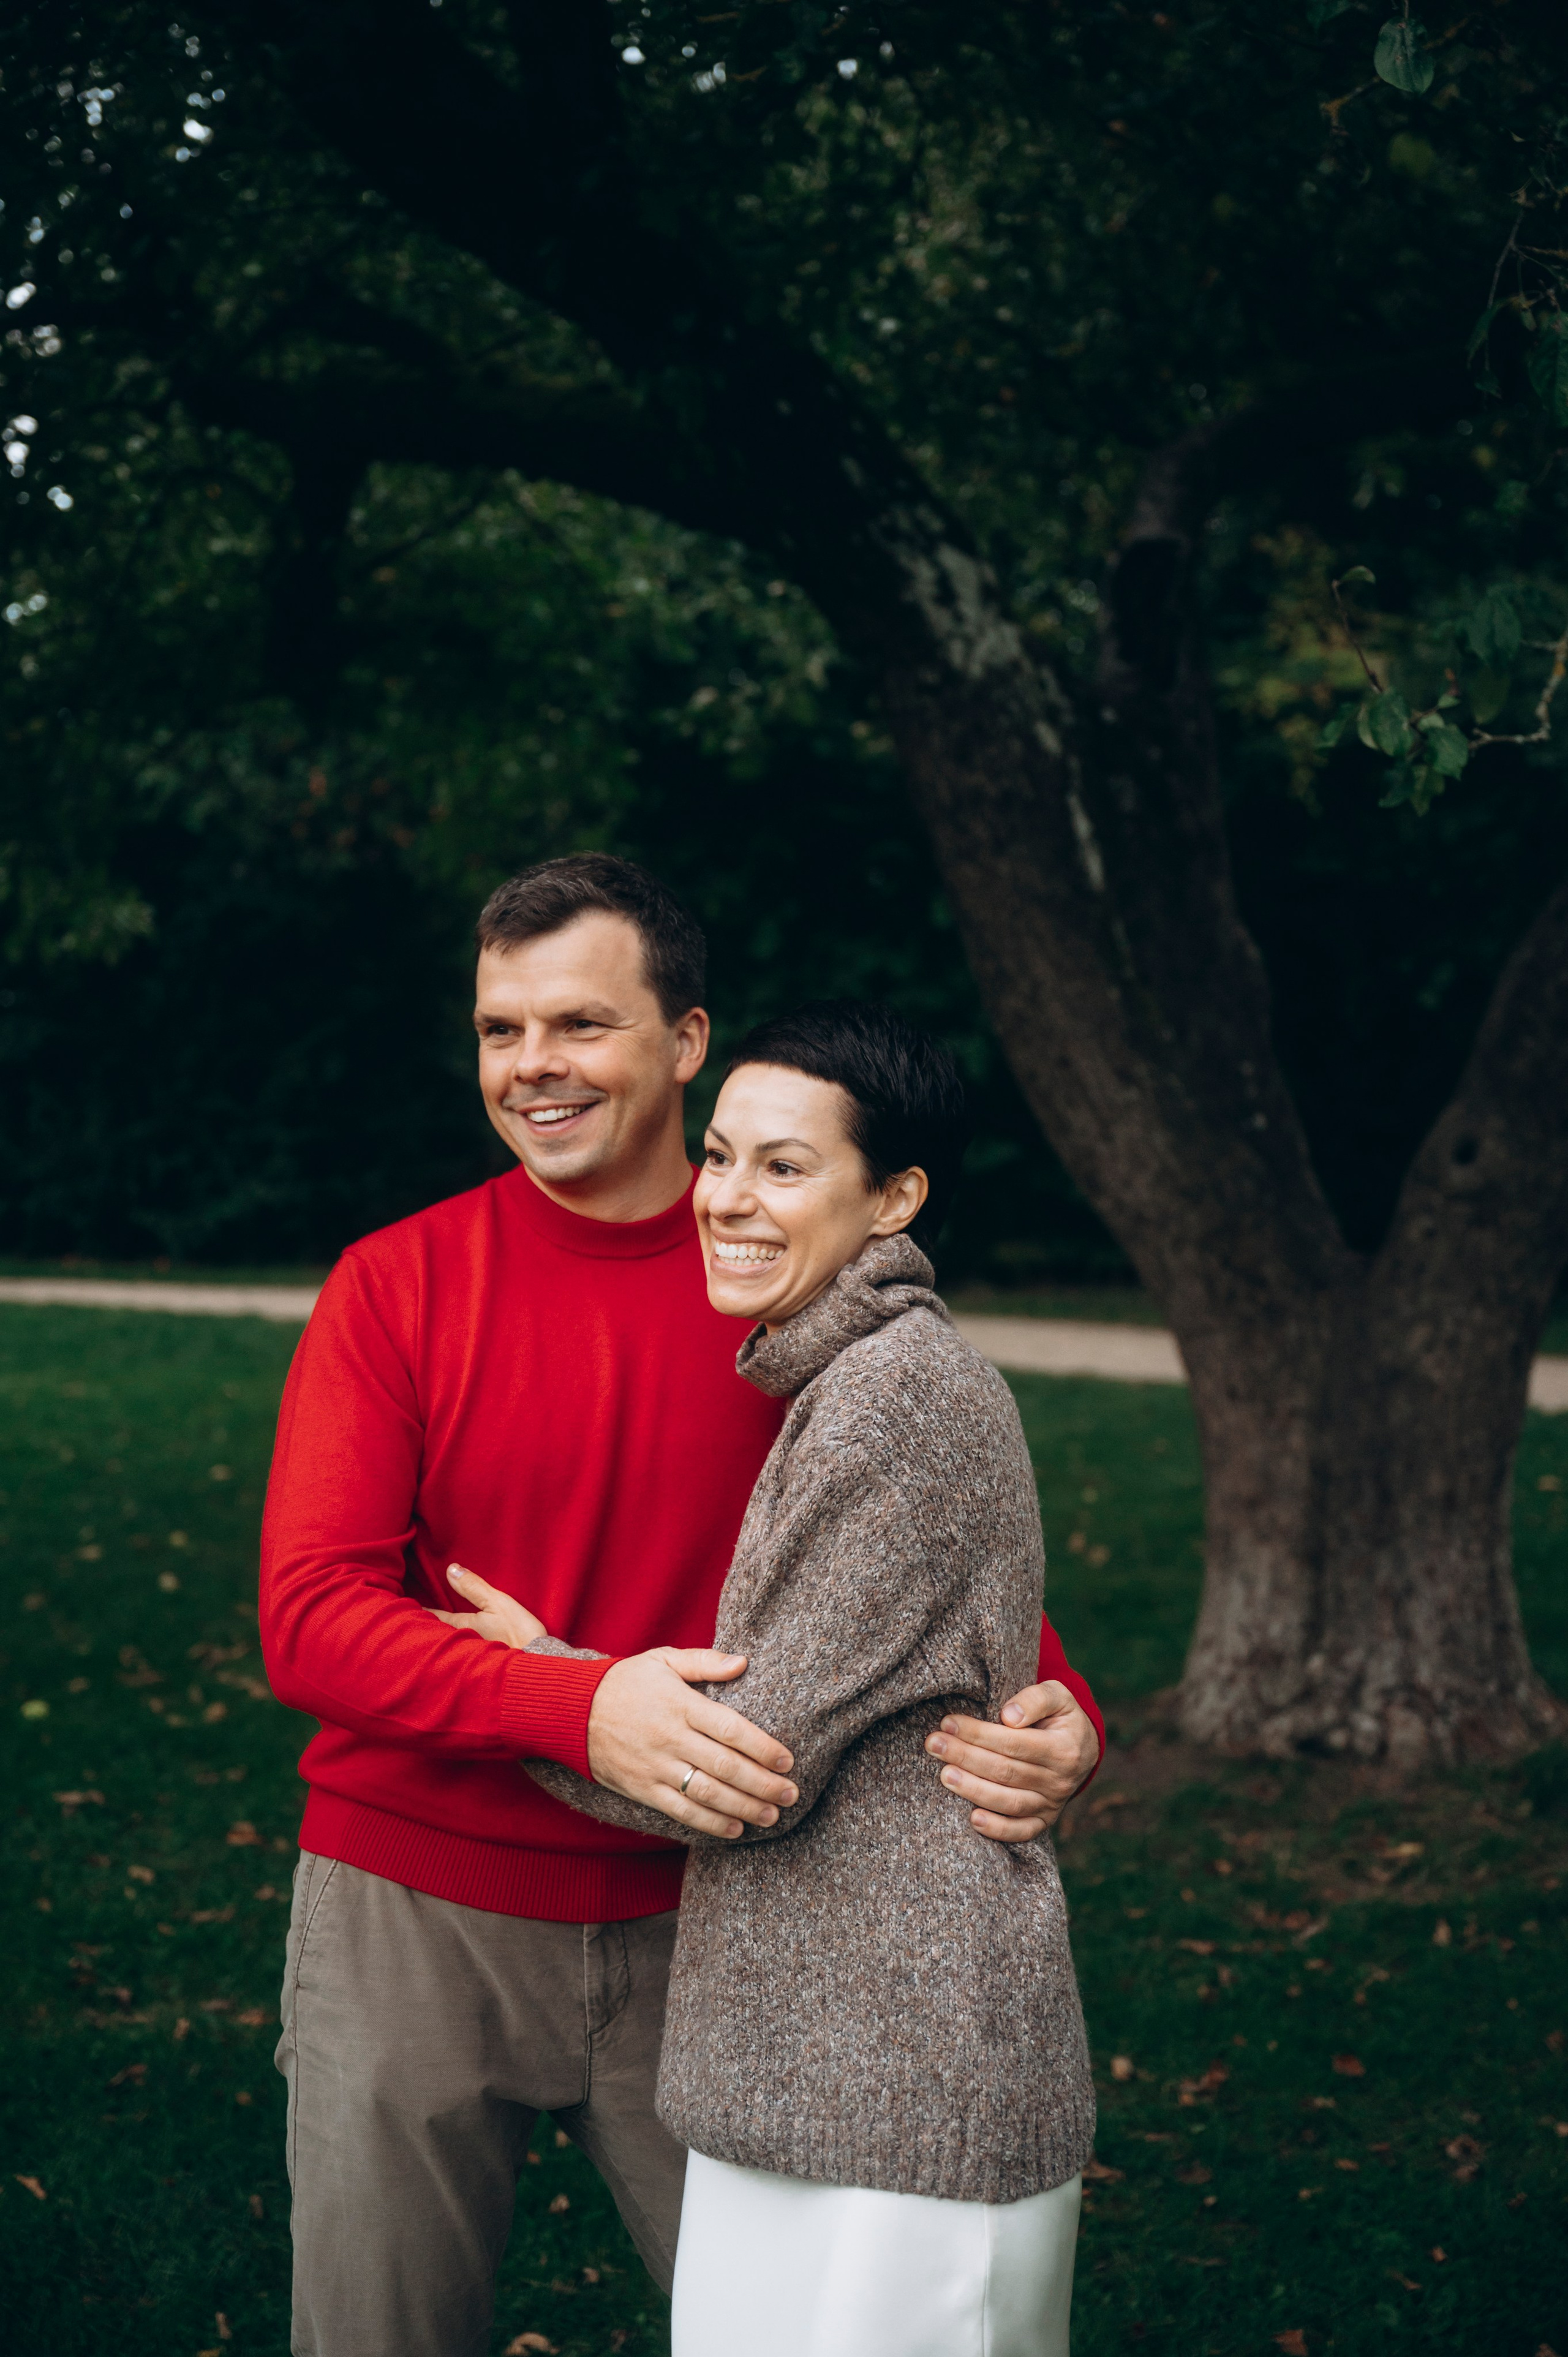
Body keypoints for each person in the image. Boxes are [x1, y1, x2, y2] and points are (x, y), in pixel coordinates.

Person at [260, 854, 1102, 2357]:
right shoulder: (395, 1284)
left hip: (723, 1924)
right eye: (499, 1030)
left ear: (687, 1039)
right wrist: (573, 1699)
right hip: (416, 1910)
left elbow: (898, 1559)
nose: (535, 1067)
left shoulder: (783, 1280)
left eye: (579, 1023)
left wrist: (1059, 1714)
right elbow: (312, 1614)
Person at [473, 1001, 1093, 2357]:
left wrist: (530, 1681)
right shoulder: (839, 1379)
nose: (727, 1198)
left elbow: (744, 1765)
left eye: (783, 1166)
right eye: (717, 1156)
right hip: (818, 2082)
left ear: (896, 1199)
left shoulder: (894, 1394)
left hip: (907, 2091)